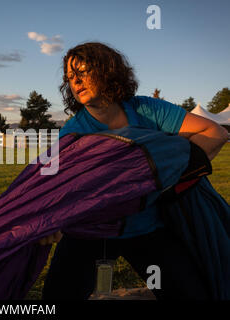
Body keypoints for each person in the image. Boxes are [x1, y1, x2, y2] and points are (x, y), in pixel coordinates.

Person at [42, 42, 228, 300]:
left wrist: (164, 179)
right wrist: (49, 219)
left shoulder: (147, 110)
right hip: (89, 232)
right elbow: (53, 184)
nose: (76, 82)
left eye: (83, 72)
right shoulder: (72, 131)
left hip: (147, 226)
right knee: (55, 299)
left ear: (108, 71)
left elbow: (214, 133)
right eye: (71, 77)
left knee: (191, 295)